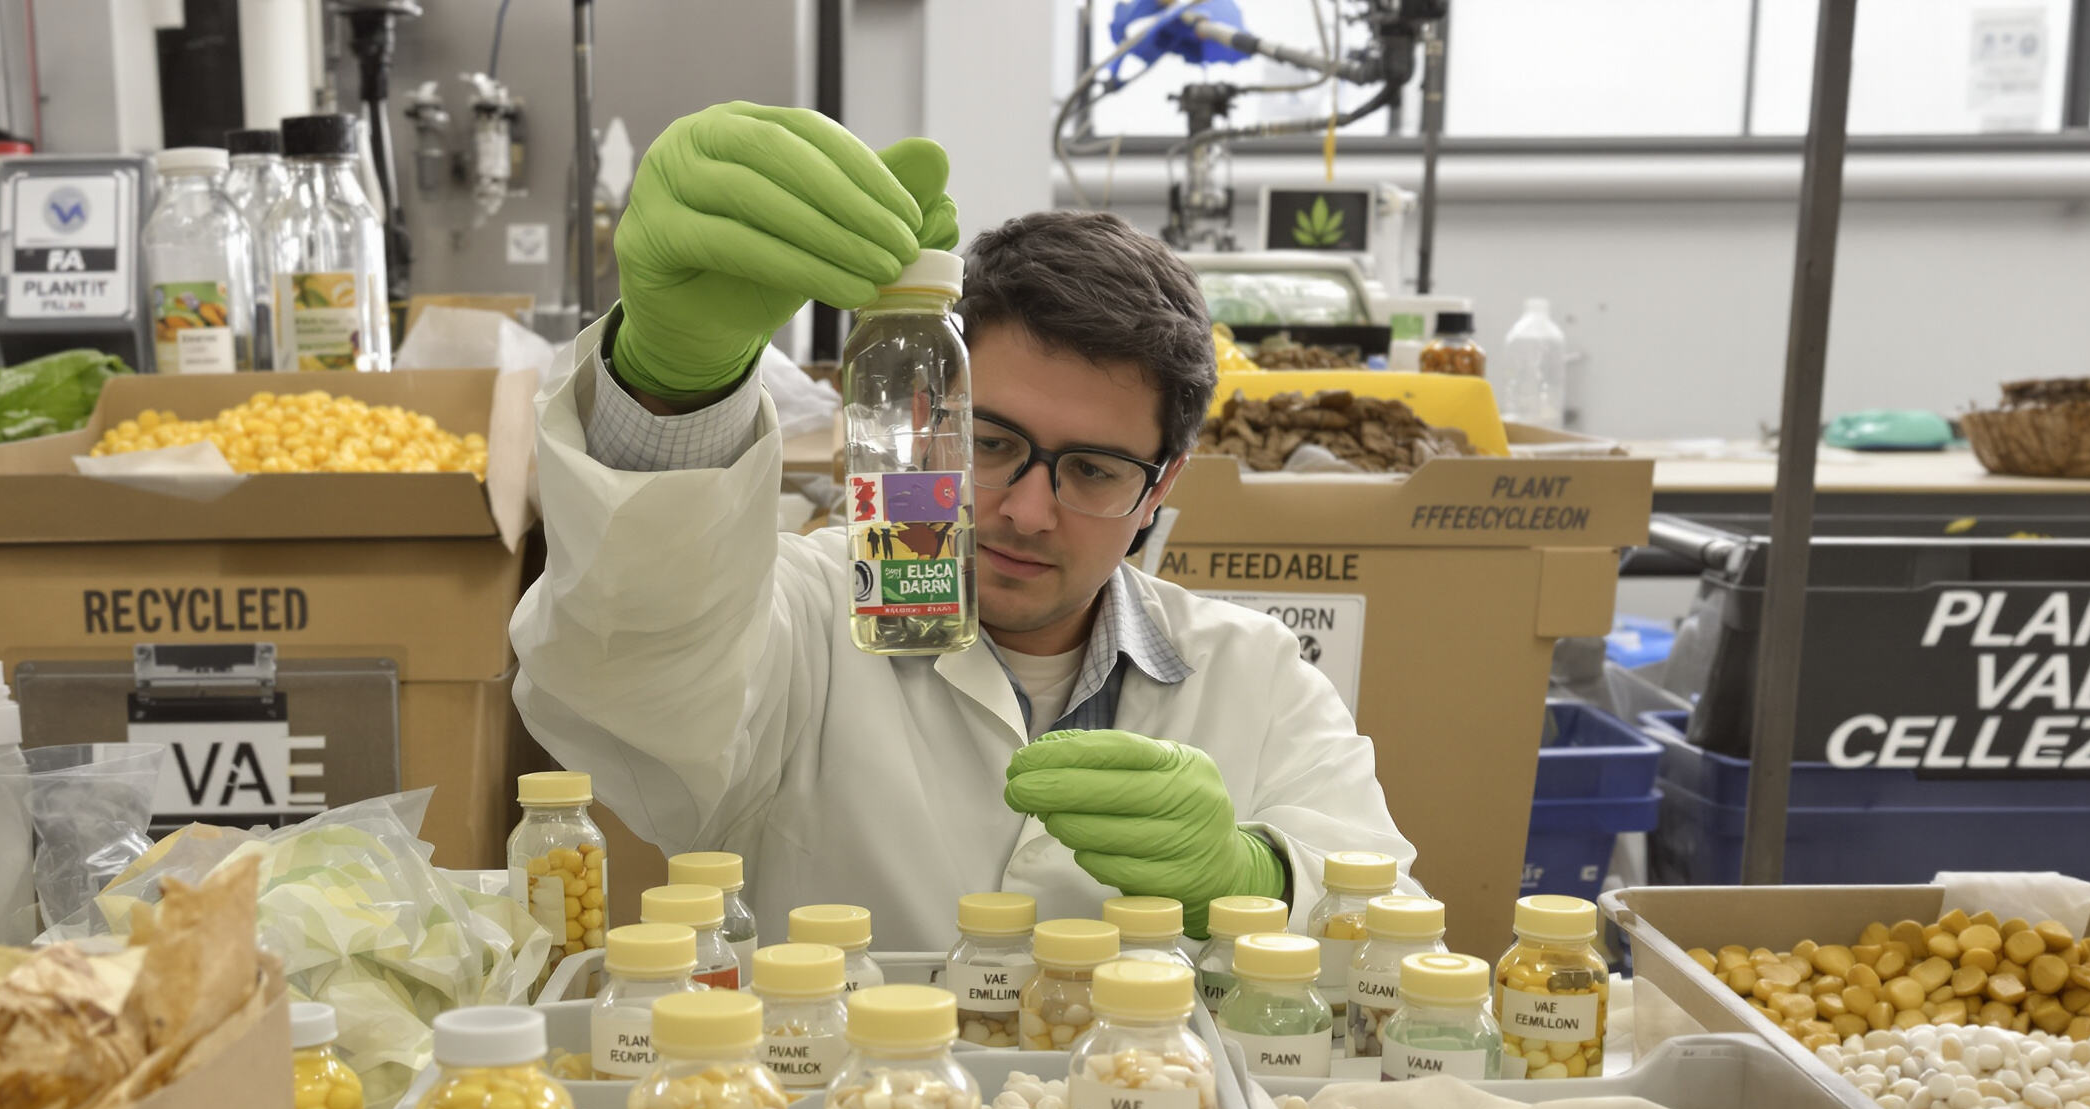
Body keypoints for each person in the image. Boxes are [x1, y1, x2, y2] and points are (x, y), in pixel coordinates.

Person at [511, 101, 1413, 950]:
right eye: (988, 443)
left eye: (1094, 471)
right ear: (927, 416)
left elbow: (1397, 924)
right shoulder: (807, 615)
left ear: (1161, 487)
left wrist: (1262, 880)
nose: (1024, 509)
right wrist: (674, 384)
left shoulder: (1255, 676)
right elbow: (631, 667)